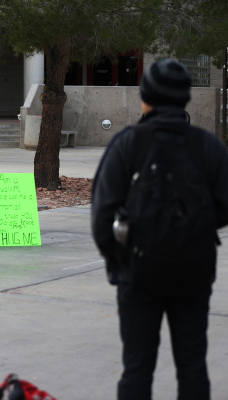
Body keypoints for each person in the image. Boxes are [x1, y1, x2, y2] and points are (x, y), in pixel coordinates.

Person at [91, 59, 228, 400]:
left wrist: (120, 263)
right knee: (193, 366)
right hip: (194, 273)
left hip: (139, 275)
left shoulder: (127, 144)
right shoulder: (209, 146)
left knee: (137, 368)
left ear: (145, 97)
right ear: (185, 97)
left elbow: (102, 216)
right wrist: (193, 229)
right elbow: (224, 206)